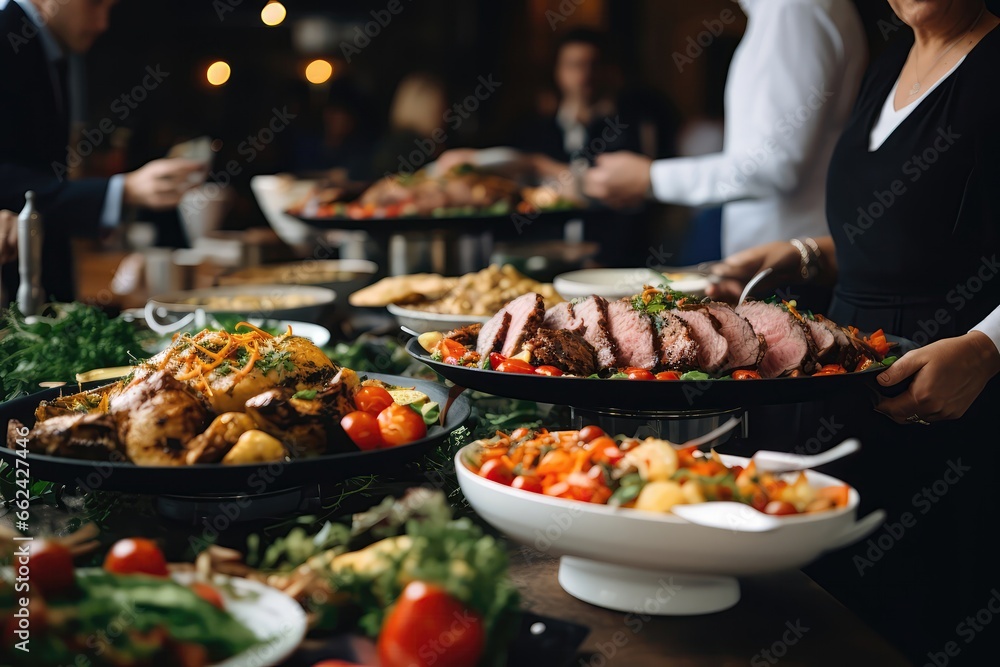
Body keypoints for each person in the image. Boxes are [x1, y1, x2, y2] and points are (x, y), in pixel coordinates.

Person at [706, 1, 1000, 662]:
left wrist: (987, 349)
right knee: (834, 623)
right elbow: (898, 228)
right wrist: (804, 252)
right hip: (847, 392)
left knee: (929, 623)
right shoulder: (894, 58)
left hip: (953, 411)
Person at [583, 0, 868, 260]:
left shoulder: (791, 9)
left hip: (791, 263)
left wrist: (650, 178)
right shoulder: (784, 10)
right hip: (787, 256)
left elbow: (776, 164)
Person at [0, 0, 204, 303]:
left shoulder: (45, 47)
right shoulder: (7, 38)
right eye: (94, 5)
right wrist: (122, 190)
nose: (102, 24)